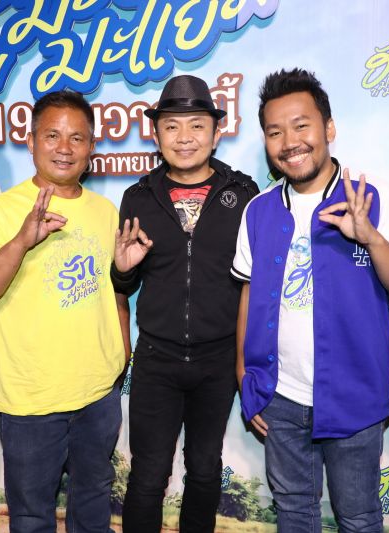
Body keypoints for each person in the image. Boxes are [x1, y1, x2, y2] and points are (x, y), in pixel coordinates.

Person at [233, 68, 389, 532]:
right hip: (279, 397)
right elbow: (248, 292)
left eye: (301, 126)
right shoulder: (258, 210)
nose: (290, 142)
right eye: (275, 132)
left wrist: (371, 237)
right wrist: (243, 374)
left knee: (358, 517)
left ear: (329, 128)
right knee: (294, 513)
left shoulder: (372, 196)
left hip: (355, 397)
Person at [0, 89, 127, 533]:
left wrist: (120, 355)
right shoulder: (1, 211)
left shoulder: (105, 211)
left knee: (93, 508)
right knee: (31, 518)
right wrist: (20, 242)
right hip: (31, 403)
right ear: (31, 141)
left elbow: (113, 291)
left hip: (98, 396)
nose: (64, 148)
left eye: (77, 137)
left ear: (92, 146)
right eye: (52, 135)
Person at [112, 74, 258, 533]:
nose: (184, 137)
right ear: (156, 135)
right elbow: (125, 281)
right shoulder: (138, 197)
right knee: (148, 473)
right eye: (172, 126)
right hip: (157, 358)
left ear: (216, 132)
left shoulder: (244, 194)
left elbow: (256, 281)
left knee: (205, 467)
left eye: (197, 125)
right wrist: (122, 269)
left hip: (219, 360)